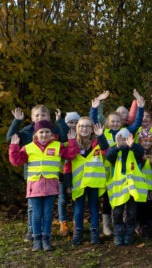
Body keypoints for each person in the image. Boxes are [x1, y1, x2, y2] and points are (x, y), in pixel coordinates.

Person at [9, 121, 78, 252]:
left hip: (51, 186)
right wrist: (14, 146)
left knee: (47, 214)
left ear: (52, 134)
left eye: (47, 132)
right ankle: (36, 240)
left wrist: (72, 141)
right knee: (36, 214)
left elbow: (71, 155)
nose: (44, 134)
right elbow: (16, 161)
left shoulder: (58, 146)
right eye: (41, 132)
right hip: (34, 186)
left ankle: (46, 239)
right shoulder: (28, 147)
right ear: (36, 134)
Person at [7, 105, 67, 242]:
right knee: (32, 207)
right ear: (32, 118)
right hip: (33, 175)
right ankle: (32, 230)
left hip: (49, 175)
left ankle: (45, 232)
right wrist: (17, 121)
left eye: (44, 115)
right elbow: (10, 138)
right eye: (37, 115)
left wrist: (60, 122)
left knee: (46, 208)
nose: (40, 118)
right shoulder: (28, 132)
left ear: (49, 117)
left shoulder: (53, 130)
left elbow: (65, 138)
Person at [90, 91, 145, 236]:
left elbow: (138, 122)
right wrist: (95, 107)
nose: (115, 123)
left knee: (122, 200)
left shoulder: (126, 131)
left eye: (117, 121)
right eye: (112, 121)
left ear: (121, 122)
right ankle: (108, 226)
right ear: (108, 122)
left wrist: (140, 107)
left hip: (121, 173)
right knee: (108, 201)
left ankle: (121, 227)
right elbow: (94, 121)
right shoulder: (104, 133)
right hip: (107, 172)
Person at [65, 117, 109, 245]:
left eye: (87, 126)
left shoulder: (97, 143)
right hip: (78, 183)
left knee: (94, 208)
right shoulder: (72, 144)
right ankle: (78, 233)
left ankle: (94, 233)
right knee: (78, 209)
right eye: (81, 126)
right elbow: (67, 165)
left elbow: (107, 151)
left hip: (93, 182)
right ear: (77, 128)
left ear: (92, 130)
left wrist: (101, 136)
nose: (84, 129)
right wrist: (68, 184)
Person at [105, 128, 147, 246]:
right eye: (121, 139)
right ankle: (118, 234)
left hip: (132, 188)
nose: (124, 141)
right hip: (119, 189)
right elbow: (109, 156)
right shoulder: (115, 150)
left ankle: (129, 234)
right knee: (117, 212)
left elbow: (141, 152)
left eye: (126, 139)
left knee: (132, 212)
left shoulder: (134, 150)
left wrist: (132, 145)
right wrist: (117, 146)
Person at [135, 130, 152, 239]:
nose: (147, 143)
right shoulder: (136, 153)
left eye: (150, 141)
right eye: (145, 141)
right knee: (139, 208)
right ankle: (139, 226)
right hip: (139, 187)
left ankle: (147, 227)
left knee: (148, 209)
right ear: (140, 141)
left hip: (150, 187)